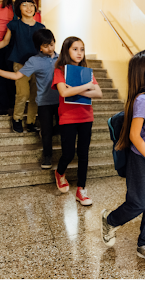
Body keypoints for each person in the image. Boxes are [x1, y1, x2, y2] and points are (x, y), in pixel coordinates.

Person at [100, 49, 145, 268]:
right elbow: (134, 135)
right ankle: (109, 220)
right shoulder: (143, 99)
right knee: (139, 202)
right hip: (142, 159)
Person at [0, 29, 59, 169]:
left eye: (52, 44)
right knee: (46, 131)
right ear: (39, 47)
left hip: (61, 102)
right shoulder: (34, 61)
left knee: (60, 129)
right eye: (46, 46)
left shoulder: (61, 59)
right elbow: (16, 76)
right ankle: (47, 156)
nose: (50, 48)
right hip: (44, 102)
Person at [0, 0, 45, 133]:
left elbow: (45, 46)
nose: (28, 8)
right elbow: (5, 42)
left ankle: (31, 122)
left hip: (38, 65)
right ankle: (17, 119)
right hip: (20, 64)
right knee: (23, 93)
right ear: (18, 8)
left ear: (35, 9)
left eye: (31, 5)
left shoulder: (41, 27)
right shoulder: (14, 25)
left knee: (35, 95)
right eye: (24, 5)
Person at [52, 37, 103, 205]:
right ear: (66, 50)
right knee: (68, 153)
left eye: (82, 49)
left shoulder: (87, 71)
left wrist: (75, 90)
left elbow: (98, 93)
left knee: (83, 154)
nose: (79, 52)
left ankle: (81, 190)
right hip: (67, 118)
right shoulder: (60, 70)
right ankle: (60, 173)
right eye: (75, 49)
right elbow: (64, 93)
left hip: (86, 116)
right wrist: (86, 87)